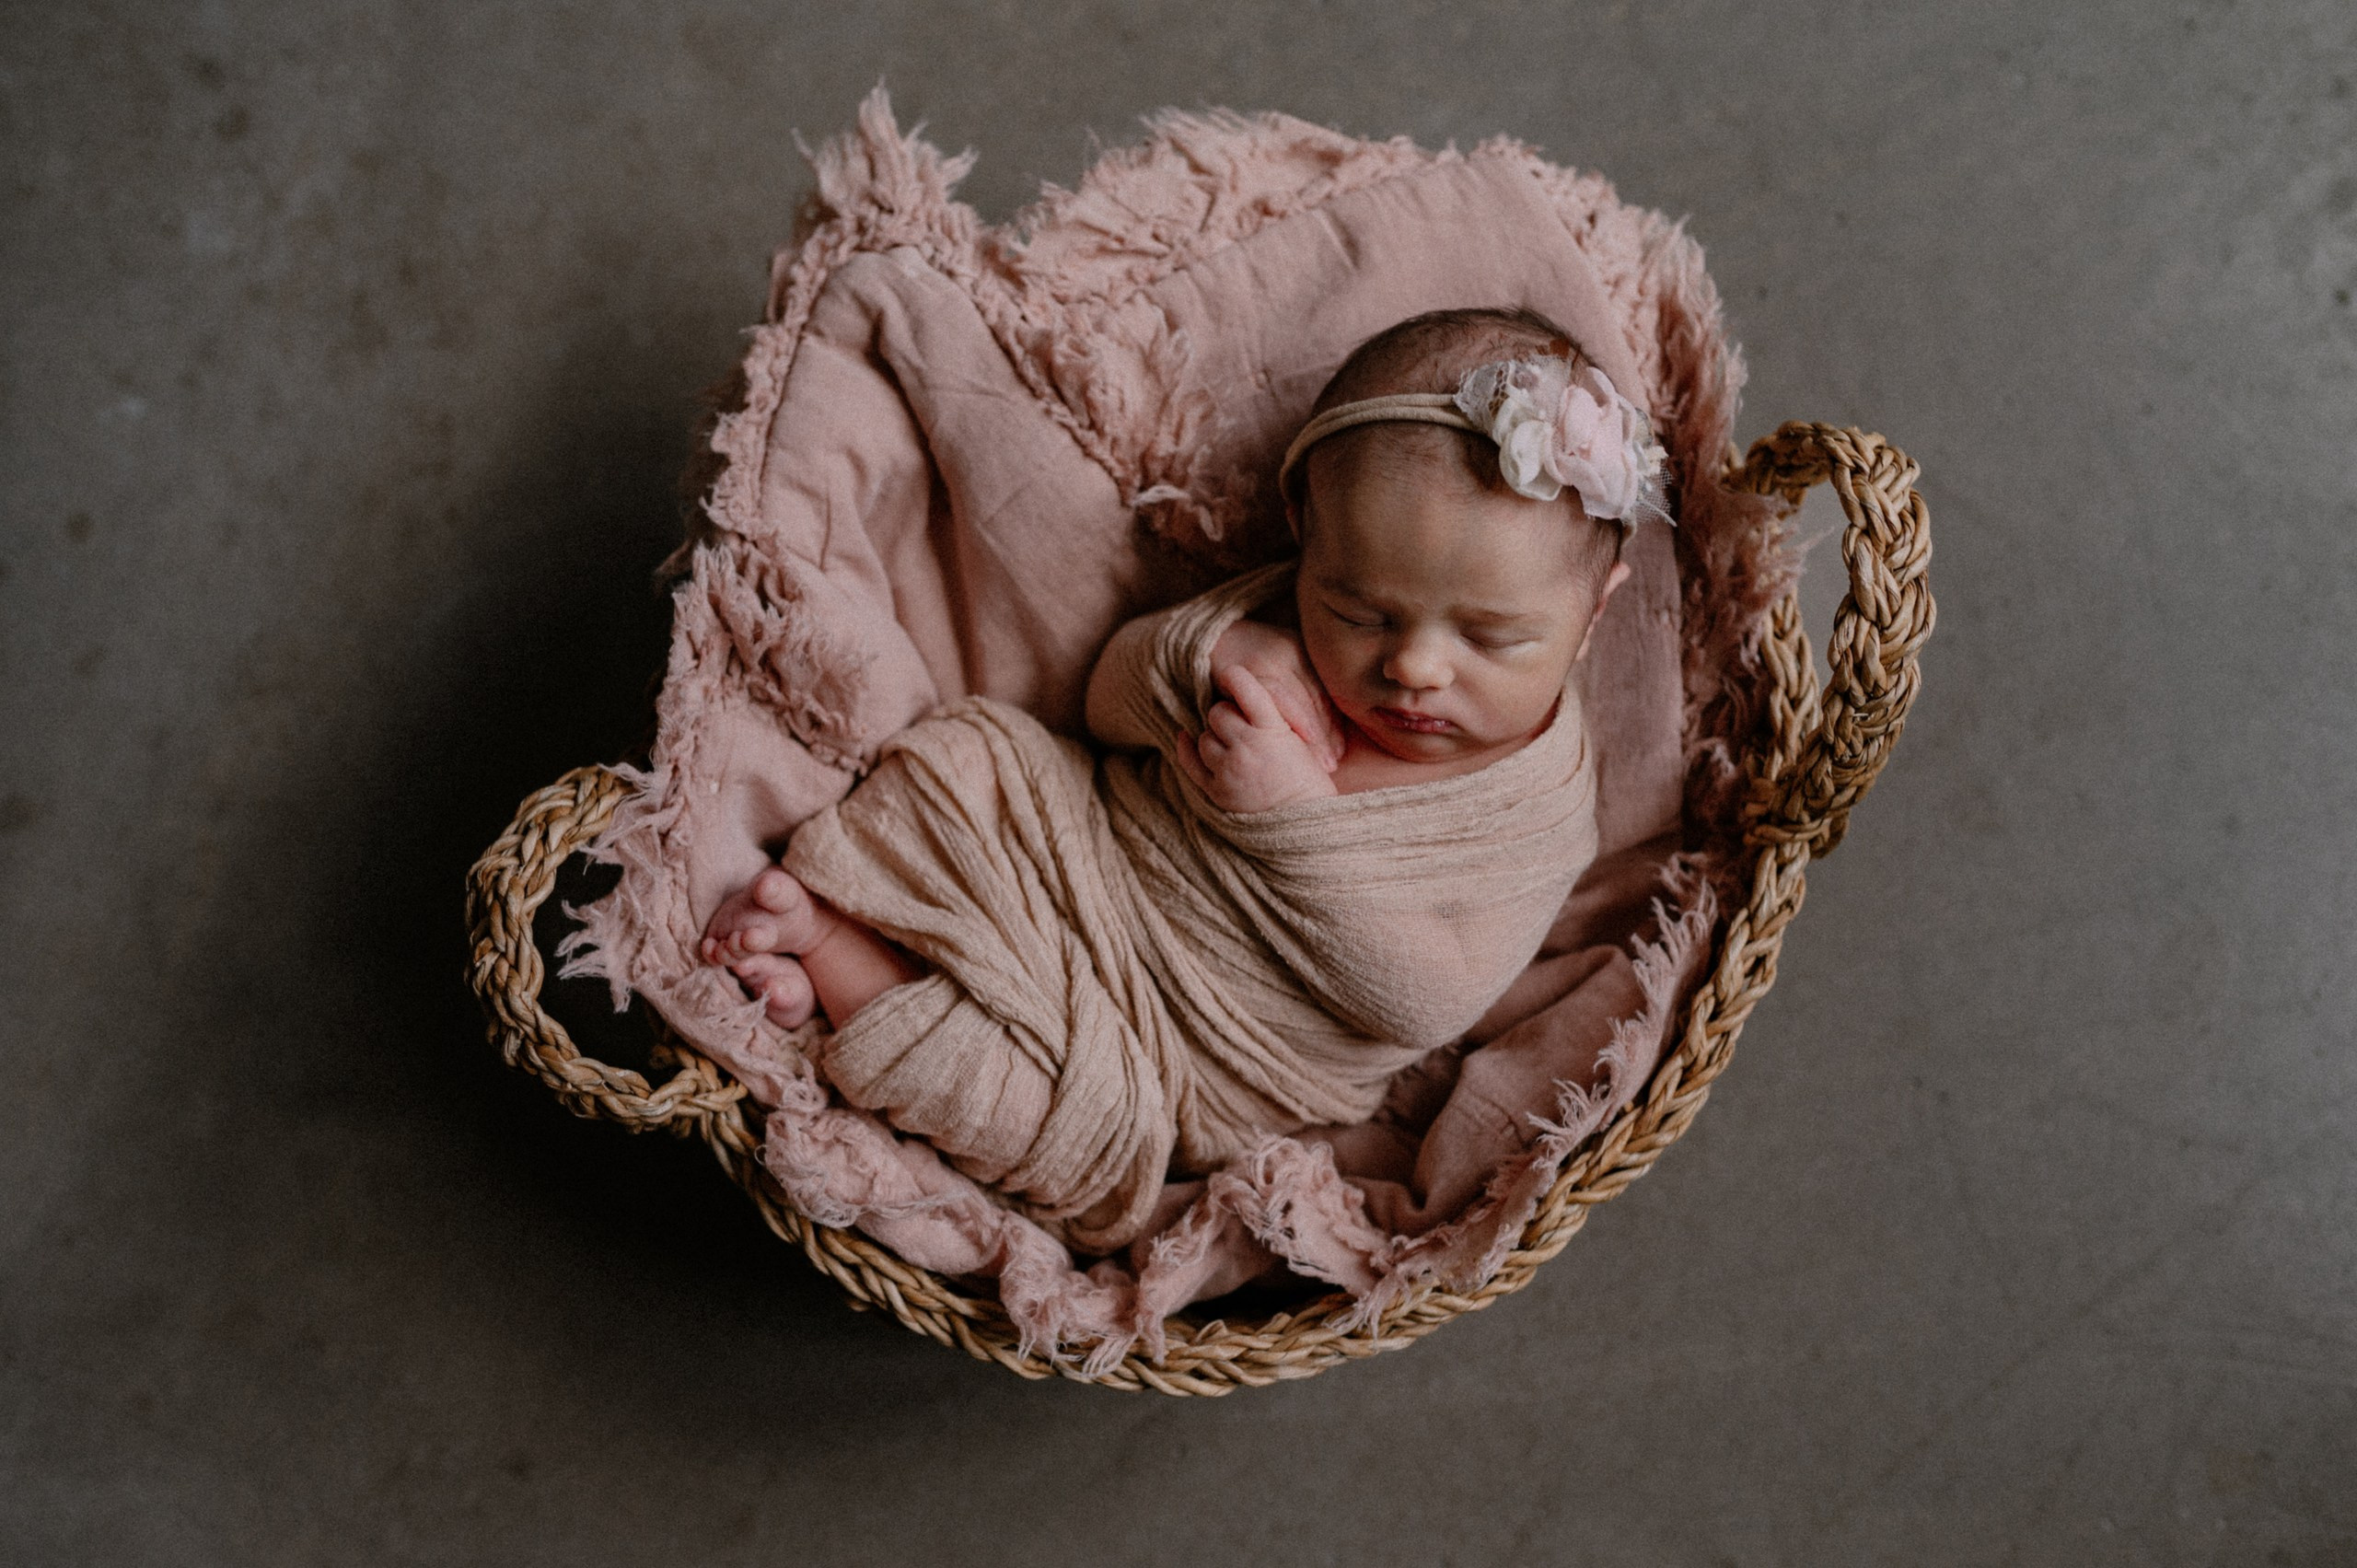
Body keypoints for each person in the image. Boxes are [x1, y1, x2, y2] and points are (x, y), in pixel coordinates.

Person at [697, 306, 1666, 1252]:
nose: (1414, 666)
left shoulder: (1541, 813)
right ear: (1303, 538)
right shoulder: (1272, 633)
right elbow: (1106, 708)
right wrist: (1206, 651)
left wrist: (1294, 819)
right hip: (1081, 853)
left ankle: (842, 954)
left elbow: (1424, 1001)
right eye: (1361, 611)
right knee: (972, 753)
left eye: (1492, 636)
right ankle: (897, 934)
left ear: (1591, 613)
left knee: (1084, 1133)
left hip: (1190, 1053)